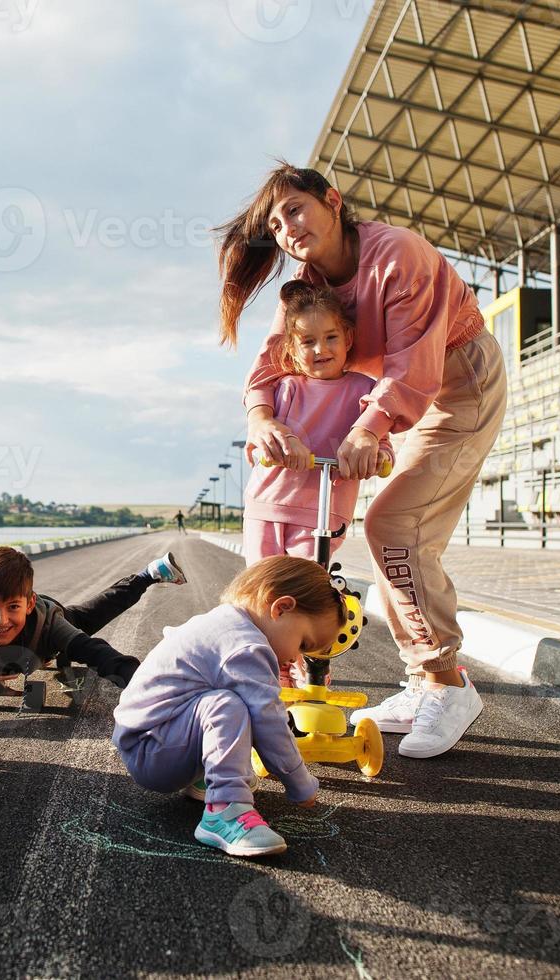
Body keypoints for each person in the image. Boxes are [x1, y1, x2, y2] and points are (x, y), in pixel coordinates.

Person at [218, 162, 506, 760]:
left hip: (457, 384)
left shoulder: (398, 255)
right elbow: (275, 360)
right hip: (401, 399)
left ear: (333, 200)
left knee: (395, 527)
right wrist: (260, 417)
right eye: (275, 223)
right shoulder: (305, 281)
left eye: (296, 209)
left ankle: (447, 683)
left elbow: (415, 369)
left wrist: (369, 428)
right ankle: (422, 679)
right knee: (389, 531)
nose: (288, 228)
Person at [111, 556, 343, 857]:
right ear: (281, 607)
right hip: (152, 752)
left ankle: (207, 782)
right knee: (227, 706)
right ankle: (225, 812)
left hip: (150, 742)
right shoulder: (246, 646)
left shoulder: (225, 623)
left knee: (230, 700)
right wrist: (300, 782)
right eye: (302, 643)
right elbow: (270, 722)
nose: (295, 658)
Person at [242, 278, 394, 566]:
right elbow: (260, 441)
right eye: (307, 342)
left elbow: (380, 441)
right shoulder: (286, 388)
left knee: (308, 583)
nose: (320, 349)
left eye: (331, 337)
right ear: (292, 349)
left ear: (348, 338)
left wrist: (378, 458)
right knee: (261, 584)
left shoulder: (365, 391)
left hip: (326, 510)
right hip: (269, 504)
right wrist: (278, 448)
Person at [0, 546, 184, 688]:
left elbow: (98, 653)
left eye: (13, 607)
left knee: (96, 612)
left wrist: (154, 688)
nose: (1, 621)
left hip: (52, 619)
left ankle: (148, 574)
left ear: (29, 603)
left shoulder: (50, 625)